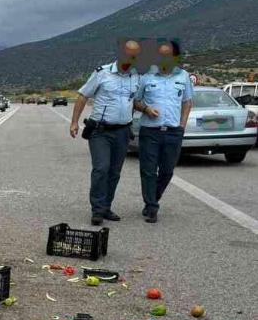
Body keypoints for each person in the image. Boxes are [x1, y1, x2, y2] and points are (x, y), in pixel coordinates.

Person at [70, 40, 142, 225]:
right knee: (101, 168)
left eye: (135, 56)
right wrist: (74, 122)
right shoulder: (102, 73)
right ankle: (97, 209)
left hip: (123, 131)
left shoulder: (136, 77)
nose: (131, 59)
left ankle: (106, 206)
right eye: (128, 55)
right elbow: (83, 95)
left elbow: (133, 101)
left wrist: (148, 109)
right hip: (100, 131)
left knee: (114, 172)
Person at [133, 41, 193, 223]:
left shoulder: (183, 77)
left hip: (173, 132)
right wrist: (146, 109)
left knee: (167, 171)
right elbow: (135, 100)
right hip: (150, 132)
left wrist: (182, 126)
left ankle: (153, 198)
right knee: (148, 171)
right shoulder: (146, 77)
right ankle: (152, 207)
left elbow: (187, 102)